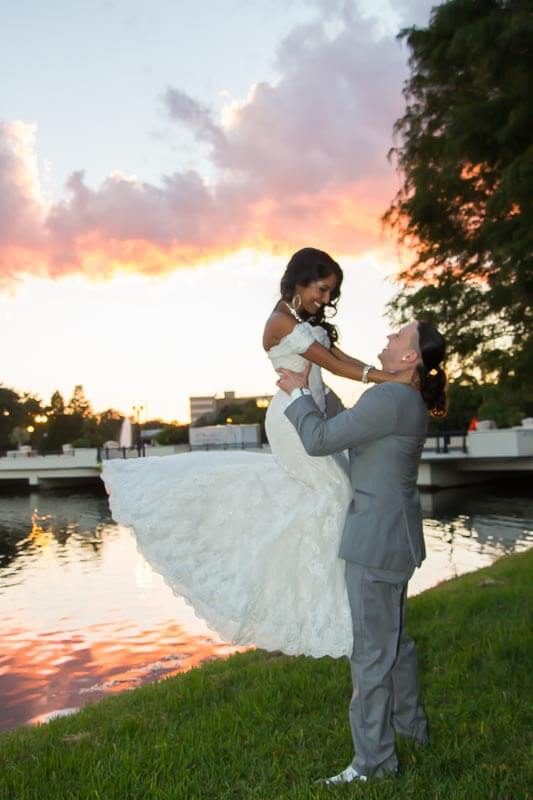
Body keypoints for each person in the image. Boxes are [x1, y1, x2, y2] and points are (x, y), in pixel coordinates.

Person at [101, 247, 412, 660]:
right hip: (291, 419)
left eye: (331, 292)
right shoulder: (280, 322)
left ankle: (339, 597)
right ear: (299, 282)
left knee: (330, 495)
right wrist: (389, 378)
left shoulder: (300, 317)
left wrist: (380, 382)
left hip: (310, 410)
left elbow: (337, 358)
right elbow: (331, 365)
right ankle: (323, 604)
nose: (326, 300)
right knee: (335, 494)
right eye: (322, 289)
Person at [277, 318, 447, 784]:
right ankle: (411, 730)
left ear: (410, 357)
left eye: (399, 337)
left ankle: (374, 764)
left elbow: (320, 440)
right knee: (396, 644)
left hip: (376, 543)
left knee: (371, 654)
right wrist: (317, 385)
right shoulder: (401, 399)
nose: (389, 338)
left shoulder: (391, 397)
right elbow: (350, 423)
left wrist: (294, 395)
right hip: (396, 538)